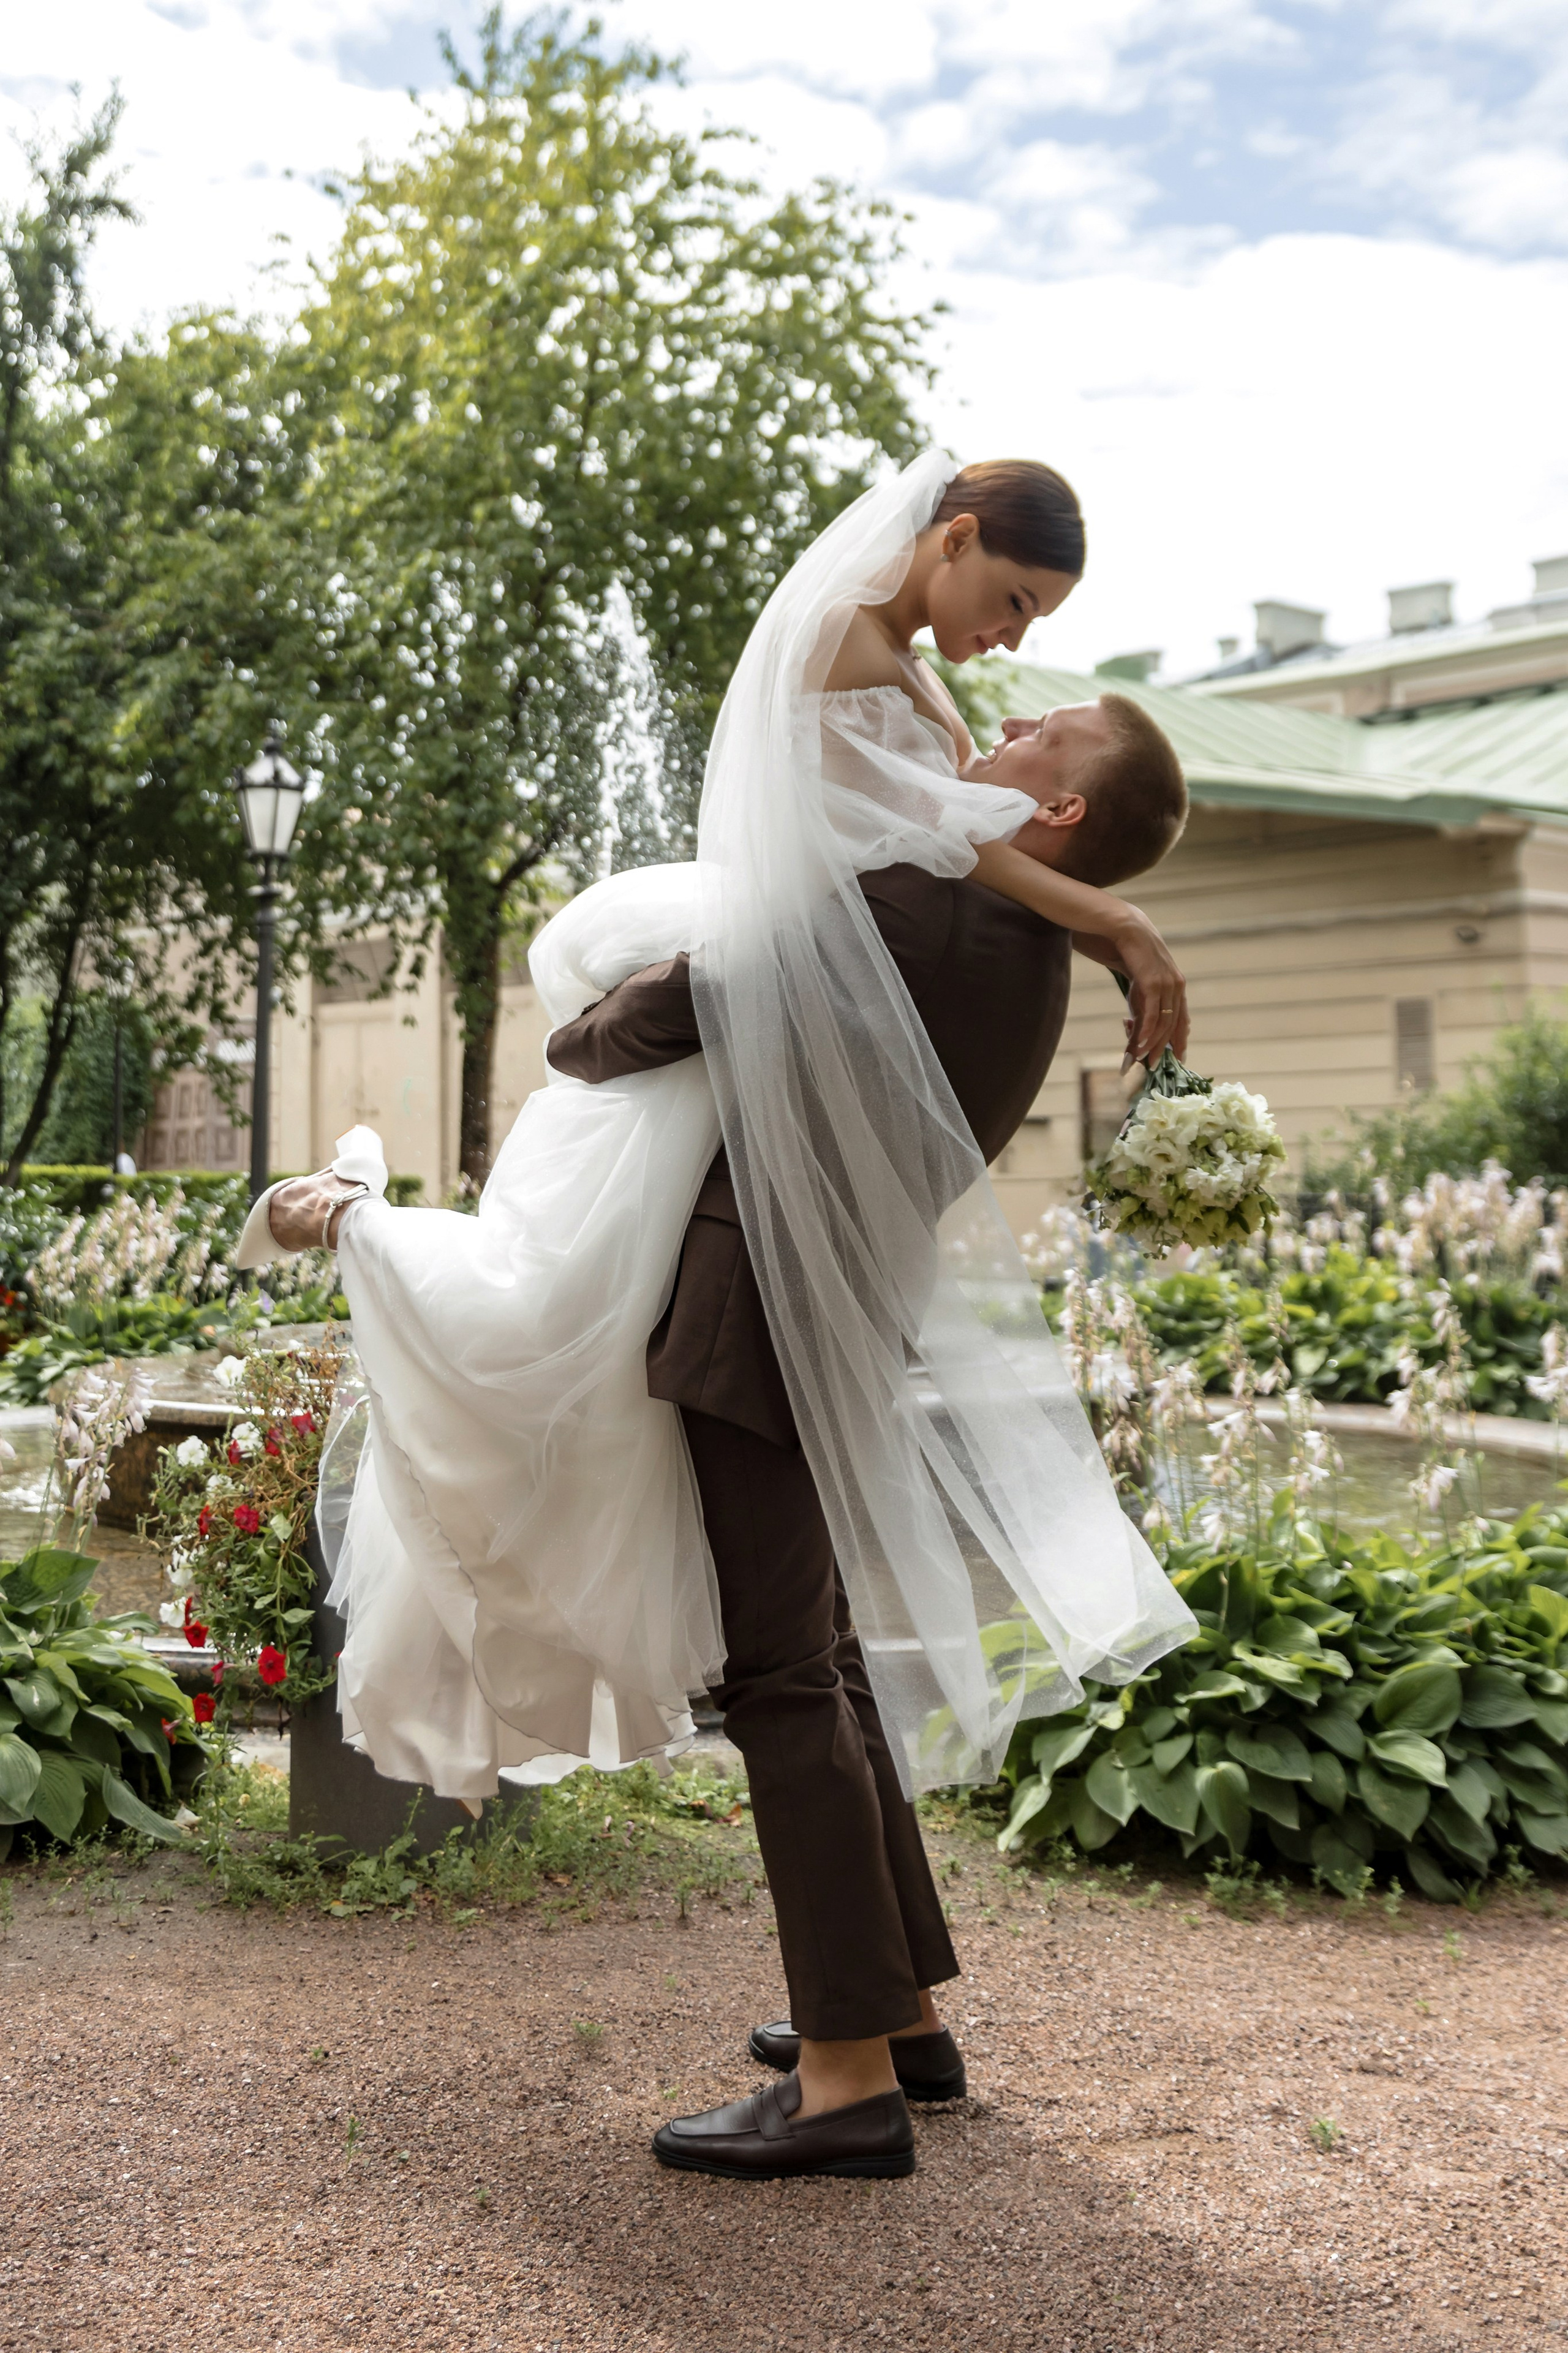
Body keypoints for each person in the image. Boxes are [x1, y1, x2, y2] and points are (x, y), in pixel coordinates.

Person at [243, 452, 1199, 2181]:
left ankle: (842, 2078)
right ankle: (897, 2006)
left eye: (1044, 727)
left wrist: (579, 1039)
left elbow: (710, 998)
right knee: (819, 1653)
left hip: (762, 1311)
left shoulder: (916, 898)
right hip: (835, 1314)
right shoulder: (1014, 948)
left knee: (778, 1673)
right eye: (1018, 645)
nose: (1007, 704)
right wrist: (1111, 915)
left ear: (1052, 810)